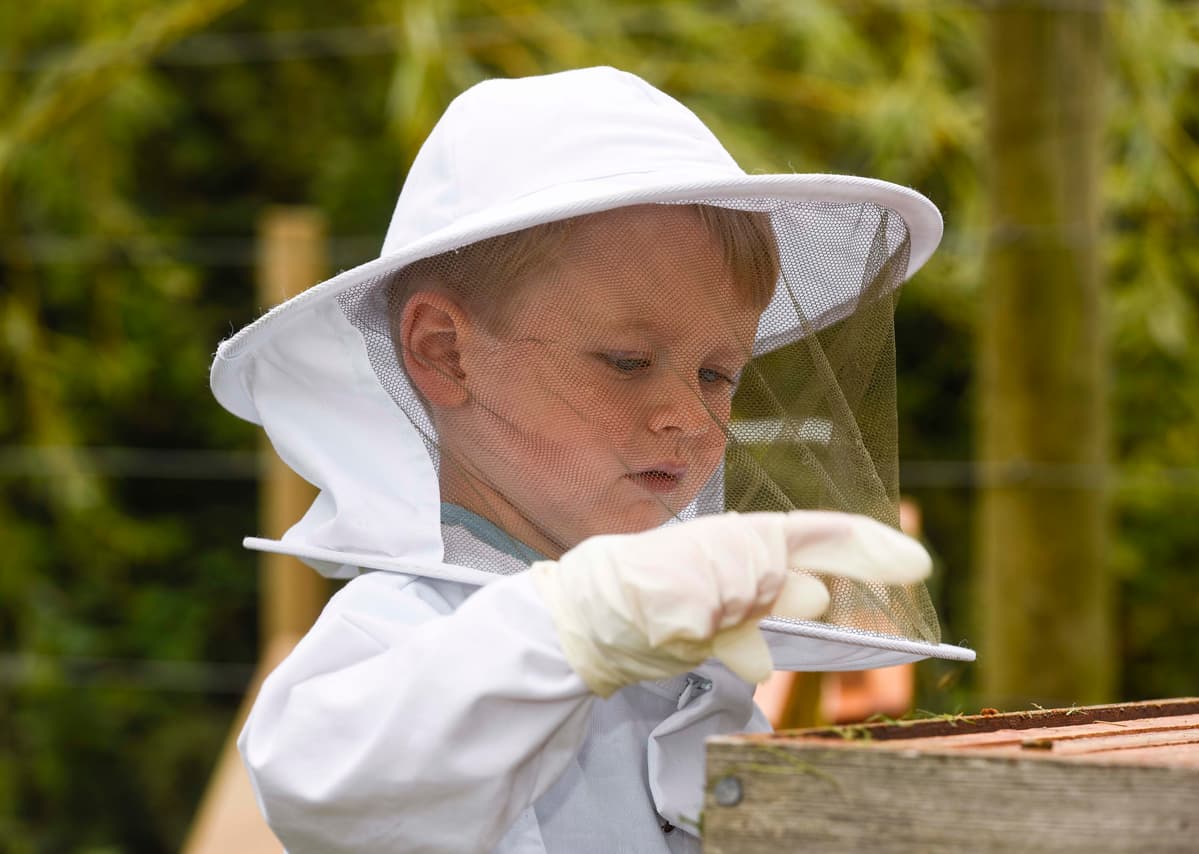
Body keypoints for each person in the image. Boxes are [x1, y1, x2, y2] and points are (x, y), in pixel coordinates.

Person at [210, 66, 974, 853]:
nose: (689, 414)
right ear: (446, 354)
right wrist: (581, 624)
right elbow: (319, 775)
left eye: (718, 373)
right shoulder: (408, 628)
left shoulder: (673, 650)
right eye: (626, 360)